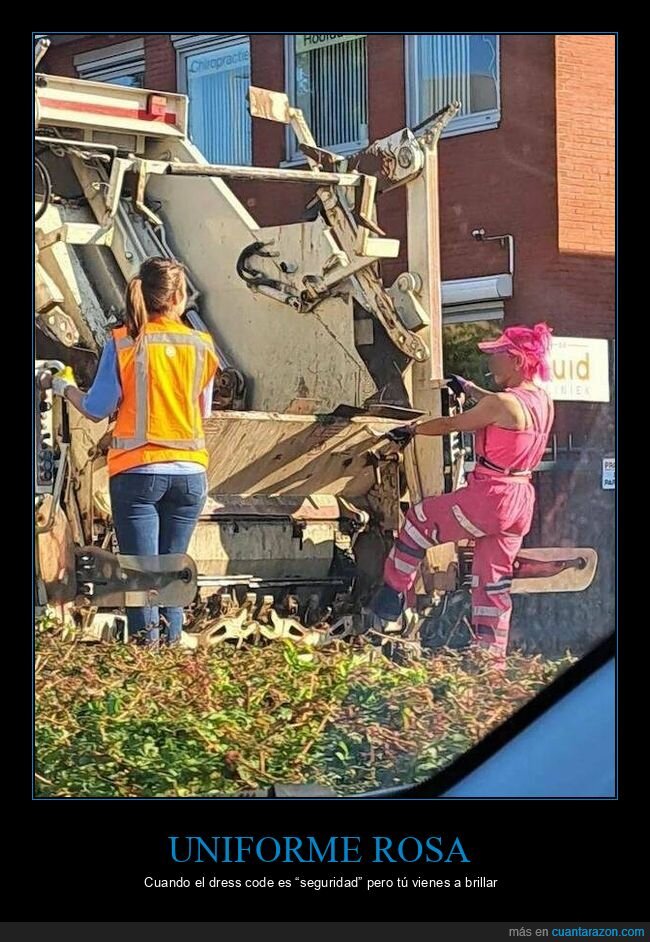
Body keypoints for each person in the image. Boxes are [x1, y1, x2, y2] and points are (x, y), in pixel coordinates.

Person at [47, 257, 219, 646]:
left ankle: (146, 665)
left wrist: (63, 386)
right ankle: (173, 668)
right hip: (190, 475)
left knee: (142, 579)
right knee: (171, 575)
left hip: (138, 474)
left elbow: (96, 408)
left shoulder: (124, 341)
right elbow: (203, 409)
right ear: (178, 297)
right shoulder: (202, 346)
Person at [368, 322, 555, 670]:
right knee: (492, 585)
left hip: (491, 496)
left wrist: (410, 429)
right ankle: (490, 663)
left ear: (516, 360)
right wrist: (468, 387)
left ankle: (392, 594)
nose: (491, 362)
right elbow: (497, 405)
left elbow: (451, 425)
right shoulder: (540, 399)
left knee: (420, 520)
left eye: (497, 355)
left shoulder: (502, 403)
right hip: (520, 499)